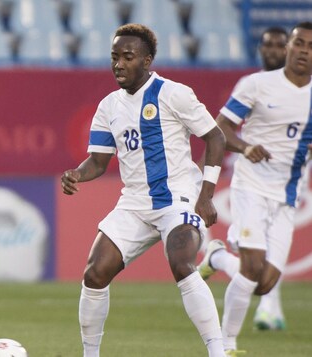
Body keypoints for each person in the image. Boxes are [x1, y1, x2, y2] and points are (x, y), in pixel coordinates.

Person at [61, 23, 227, 357]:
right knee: (94, 273)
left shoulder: (173, 93)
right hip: (135, 203)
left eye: (128, 56)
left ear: (147, 60)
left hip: (177, 197)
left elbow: (215, 137)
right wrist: (77, 175)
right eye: (114, 57)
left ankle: (218, 352)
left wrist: (206, 194)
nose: (119, 64)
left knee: (182, 263)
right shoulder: (109, 106)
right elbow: (97, 161)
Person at [197, 22, 312, 355]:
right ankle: (226, 345)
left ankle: (217, 256)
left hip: (288, 197)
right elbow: (220, 131)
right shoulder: (256, 85)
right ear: (288, 47)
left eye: (311, 46)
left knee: (264, 283)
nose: (304, 50)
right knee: (250, 267)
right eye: (299, 43)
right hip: (251, 187)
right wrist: (246, 147)